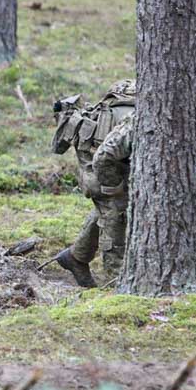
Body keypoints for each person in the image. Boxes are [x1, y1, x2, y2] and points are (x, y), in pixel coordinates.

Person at [50, 80, 136, 287]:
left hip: (105, 161)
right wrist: (112, 187)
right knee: (115, 218)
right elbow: (104, 157)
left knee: (106, 210)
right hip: (101, 166)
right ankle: (115, 283)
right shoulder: (136, 119)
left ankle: (76, 257)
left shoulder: (125, 112)